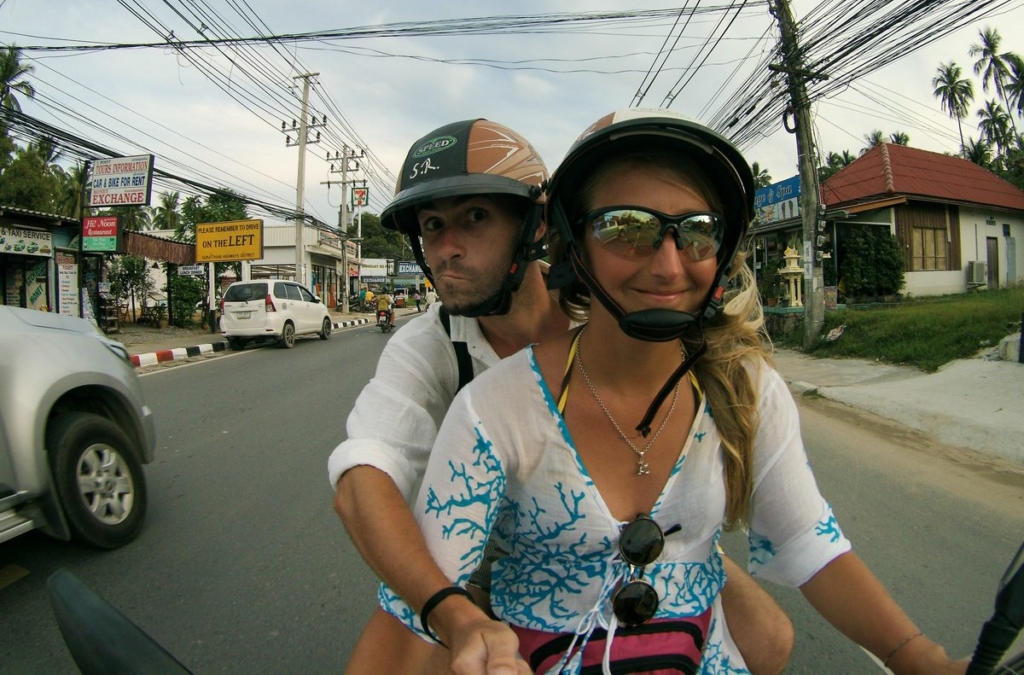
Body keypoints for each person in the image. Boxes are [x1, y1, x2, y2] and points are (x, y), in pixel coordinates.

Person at [381, 109, 967, 675]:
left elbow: (807, 540)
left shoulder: (745, 388)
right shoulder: (493, 409)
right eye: (626, 229)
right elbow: (420, 595)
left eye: (696, 233)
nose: (667, 267)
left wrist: (916, 656)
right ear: (572, 245)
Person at [331, 118, 792, 675]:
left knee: (769, 640)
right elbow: (365, 473)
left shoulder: (606, 305)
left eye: (474, 217)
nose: (447, 249)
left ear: (536, 225)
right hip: (487, 561)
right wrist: (449, 610)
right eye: (432, 226)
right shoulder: (428, 345)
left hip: (635, 534)